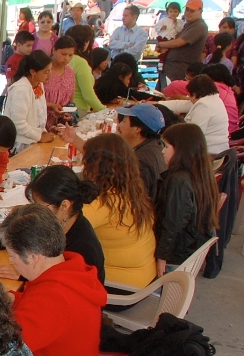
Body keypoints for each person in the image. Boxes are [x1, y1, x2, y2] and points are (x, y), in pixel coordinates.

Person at [0, 204, 106, 356]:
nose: (12, 262)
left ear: (32, 257)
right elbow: (45, 316)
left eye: (12, 256)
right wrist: (14, 299)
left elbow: (1, 348)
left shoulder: (52, 298)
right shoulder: (72, 272)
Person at [0, 164, 106, 282]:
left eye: (40, 205)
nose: (36, 210)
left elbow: (64, 286)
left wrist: (26, 275)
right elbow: (19, 235)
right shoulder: (58, 223)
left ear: (64, 205)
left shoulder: (83, 247)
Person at [81, 134, 157, 287]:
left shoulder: (106, 204)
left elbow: (61, 225)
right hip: (145, 276)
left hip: (120, 285)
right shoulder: (131, 191)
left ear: (98, 167)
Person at [154, 123, 219, 275]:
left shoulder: (179, 180)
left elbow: (173, 223)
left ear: (180, 149)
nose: (162, 151)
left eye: (166, 146)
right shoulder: (202, 175)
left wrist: (162, 257)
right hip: (190, 252)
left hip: (175, 257)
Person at [159, 74, 230, 154]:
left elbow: (194, 135)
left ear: (196, 92)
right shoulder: (214, 100)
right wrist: (157, 103)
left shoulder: (204, 105)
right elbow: (181, 105)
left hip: (208, 153)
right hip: (218, 149)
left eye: (190, 94)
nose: (189, 98)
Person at [4, 50, 56, 154]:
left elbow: (38, 115)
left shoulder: (39, 84)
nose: (50, 75)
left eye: (50, 70)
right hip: (21, 143)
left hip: (34, 140)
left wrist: (45, 131)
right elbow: (18, 124)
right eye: (46, 72)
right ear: (33, 72)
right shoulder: (21, 89)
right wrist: (39, 136)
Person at [115, 102, 167, 202]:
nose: (119, 125)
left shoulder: (140, 162)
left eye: (124, 121)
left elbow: (137, 201)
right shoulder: (157, 145)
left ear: (137, 129)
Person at [158, 0, 209, 83]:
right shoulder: (187, 24)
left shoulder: (199, 26)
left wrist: (160, 44)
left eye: (192, 11)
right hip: (172, 68)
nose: (188, 13)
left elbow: (178, 43)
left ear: (200, 11)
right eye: (187, 9)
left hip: (180, 70)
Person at [65, 25, 105, 113]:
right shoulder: (80, 63)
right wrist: (105, 110)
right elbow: (88, 96)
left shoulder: (60, 59)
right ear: (86, 41)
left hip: (64, 108)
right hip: (78, 110)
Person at [42, 35, 77, 119]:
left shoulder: (70, 72)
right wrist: (50, 105)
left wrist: (70, 114)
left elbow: (71, 99)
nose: (67, 58)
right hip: (41, 119)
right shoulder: (43, 70)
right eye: (63, 54)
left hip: (62, 122)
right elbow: (32, 99)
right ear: (54, 50)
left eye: (70, 55)